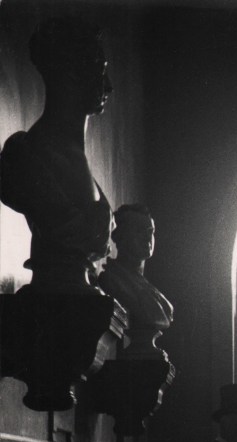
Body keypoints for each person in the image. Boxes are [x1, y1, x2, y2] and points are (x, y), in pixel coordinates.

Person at [0, 17, 113, 294]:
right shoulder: (25, 156)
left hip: (81, 297)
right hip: (55, 302)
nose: (108, 86)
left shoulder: (71, 160)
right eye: (99, 69)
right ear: (70, 71)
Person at [98, 204, 173, 355]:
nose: (147, 237)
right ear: (119, 236)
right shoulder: (112, 280)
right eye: (139, 231)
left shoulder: (149, 288)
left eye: (150, 231)